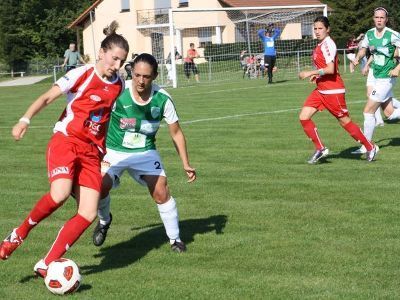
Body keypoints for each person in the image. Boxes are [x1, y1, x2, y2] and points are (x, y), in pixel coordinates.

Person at [0, 21, 129, 277]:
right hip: (67, 141)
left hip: (92, 153)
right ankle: (18, 234)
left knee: (89, 212)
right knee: (59, 194)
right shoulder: (81, 74)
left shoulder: (119, 85)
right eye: (114, 58)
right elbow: (48, 97)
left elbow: (104, 118)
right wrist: (25, 120)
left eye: (122, 61)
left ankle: (47, 262)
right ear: (102, 52)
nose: (116, 65)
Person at [91, 53, 196, 252]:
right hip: (114, 151)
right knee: (99, 186)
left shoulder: (162, 99)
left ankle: (175, 240)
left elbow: (176, 133)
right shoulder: (118, 93)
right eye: (137, 75)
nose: (140, 80)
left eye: (146, 76)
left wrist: (185, 163)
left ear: (155, 75)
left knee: (161, 190)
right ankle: (104, 221)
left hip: (145, 152)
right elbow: (98, 120)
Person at [298, 16, 378, 164]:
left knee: (344, 122)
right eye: (315, 28)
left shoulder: (328, 44)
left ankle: (370, 147)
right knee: (304, 116)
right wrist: (317, 77)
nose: (317, 31)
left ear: (328, 29)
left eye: (320, 28)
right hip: (321, 90)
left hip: (333, 91)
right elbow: (328, 68)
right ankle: (320, 149)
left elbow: (330, 69)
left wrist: (311, 73)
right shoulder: (320, 44)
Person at [351, 7, 400, 154]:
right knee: (390, 113)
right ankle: (366, 145)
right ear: (373, 18)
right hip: (377, 76)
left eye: (382, 18)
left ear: (386, 19)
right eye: (376, 17)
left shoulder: (392, 35)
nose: (379, 20)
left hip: (387, 78)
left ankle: (367, 147)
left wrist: (397, 68)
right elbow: (363, 49)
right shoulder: (370, 34)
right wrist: (358, 58)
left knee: (368, 111)